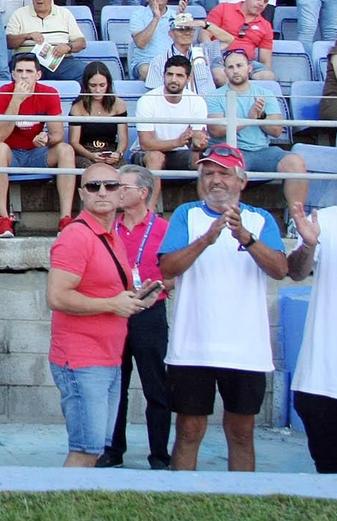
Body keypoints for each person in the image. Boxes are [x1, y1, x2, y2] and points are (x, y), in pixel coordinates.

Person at [158, 144, 289, 471]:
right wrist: (207, 238)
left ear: (241, 181)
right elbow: (167, 269)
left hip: (245, 350)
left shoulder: (260, 220)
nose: (215, 180)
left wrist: (245, 237)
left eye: (224, 173)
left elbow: (280, 269)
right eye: (208, 173)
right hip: (193, 348)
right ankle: (179, 503)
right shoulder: (187, 215)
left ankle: (242, 504)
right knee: (188, 430)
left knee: (242, 433)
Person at [45, 164, 154, 467]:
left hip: (107, 359)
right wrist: (112, 305)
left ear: (122, 193)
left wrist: (135, 299)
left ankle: (75, 510)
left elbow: (107, 291)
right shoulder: (76, 236)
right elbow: (56, 296)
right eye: (93, 187)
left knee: (93, 450)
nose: (102, 192)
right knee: (85, 449)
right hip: (82, 360)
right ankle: (61, 511)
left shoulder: (110, 235)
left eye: (110, 185)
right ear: (81, 194)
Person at [96, 165, 173, 470]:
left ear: (143, 193)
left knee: (156, 386)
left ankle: (159, 455)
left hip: (149, 313)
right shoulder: (106, 227)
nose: (115, 192)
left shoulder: (164, 229)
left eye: (122, 187)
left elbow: (177, 272)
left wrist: (158, 287)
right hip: (115, 310)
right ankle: (113, 450)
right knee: (116, 386)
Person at [205, 47, 309, 215]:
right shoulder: (214, 96)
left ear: (250, 68)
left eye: (239, 65)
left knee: (295, 163)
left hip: (262, 151)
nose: (235, 71)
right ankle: (223, 218)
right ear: (225, 71)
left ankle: (296, 220)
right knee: (226, 169)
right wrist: (249, 117)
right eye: (230, 67)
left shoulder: (265, 94)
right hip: (228, 152)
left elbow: (276, 130)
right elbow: (216, 130)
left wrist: (260, 117)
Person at [0, 52, 77, 237]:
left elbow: (58, 134)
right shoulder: (1, 93)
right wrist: (16, 99)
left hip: (37, 152)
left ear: (38, 75)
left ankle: (66, 219)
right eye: (19, 71)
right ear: (12, 74)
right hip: (10, 154)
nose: (23, 76)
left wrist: (47, 139)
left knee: (66, 150)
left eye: (29, 71)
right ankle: (3, 219)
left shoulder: (49, 93)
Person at [286, 206, 337, 473]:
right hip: (326, 383)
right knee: (331, 483)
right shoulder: (326, 220)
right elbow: (296, 272)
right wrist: (308, 244)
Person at [133, 54, 212, 177]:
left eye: (179, 75)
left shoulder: (197, 101)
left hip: (179, 152)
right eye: (170, 74)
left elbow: (196, 140)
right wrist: (177, 142)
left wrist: (199, 143)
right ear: (163, 75)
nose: (174, 79)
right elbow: (145, 144)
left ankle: (205, 197)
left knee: (203, 161)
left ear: (189, 78)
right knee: (156, 157)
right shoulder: (147, 100)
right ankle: (152, 197)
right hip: (145, 154)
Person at [6, 0, 88, 82]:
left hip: (60, 61)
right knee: (19, 70)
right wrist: (27, 36)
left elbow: (81, 42)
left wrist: (68, 47)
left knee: (88, 73)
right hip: (27, 60)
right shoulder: (19, 14)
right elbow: (9, 43)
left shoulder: (64, 14)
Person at [69, 62, 129, 170]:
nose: (98, 90)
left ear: (108, 84)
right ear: (86, 85)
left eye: (102, 85)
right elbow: (74, 141)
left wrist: (118, 153)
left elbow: (123, 138)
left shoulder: (119, 104)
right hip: (85, 152)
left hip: (110, 151)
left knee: (123, 172)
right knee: (91, 170)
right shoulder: (77, 107)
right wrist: (90, 156)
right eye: (93, 85)